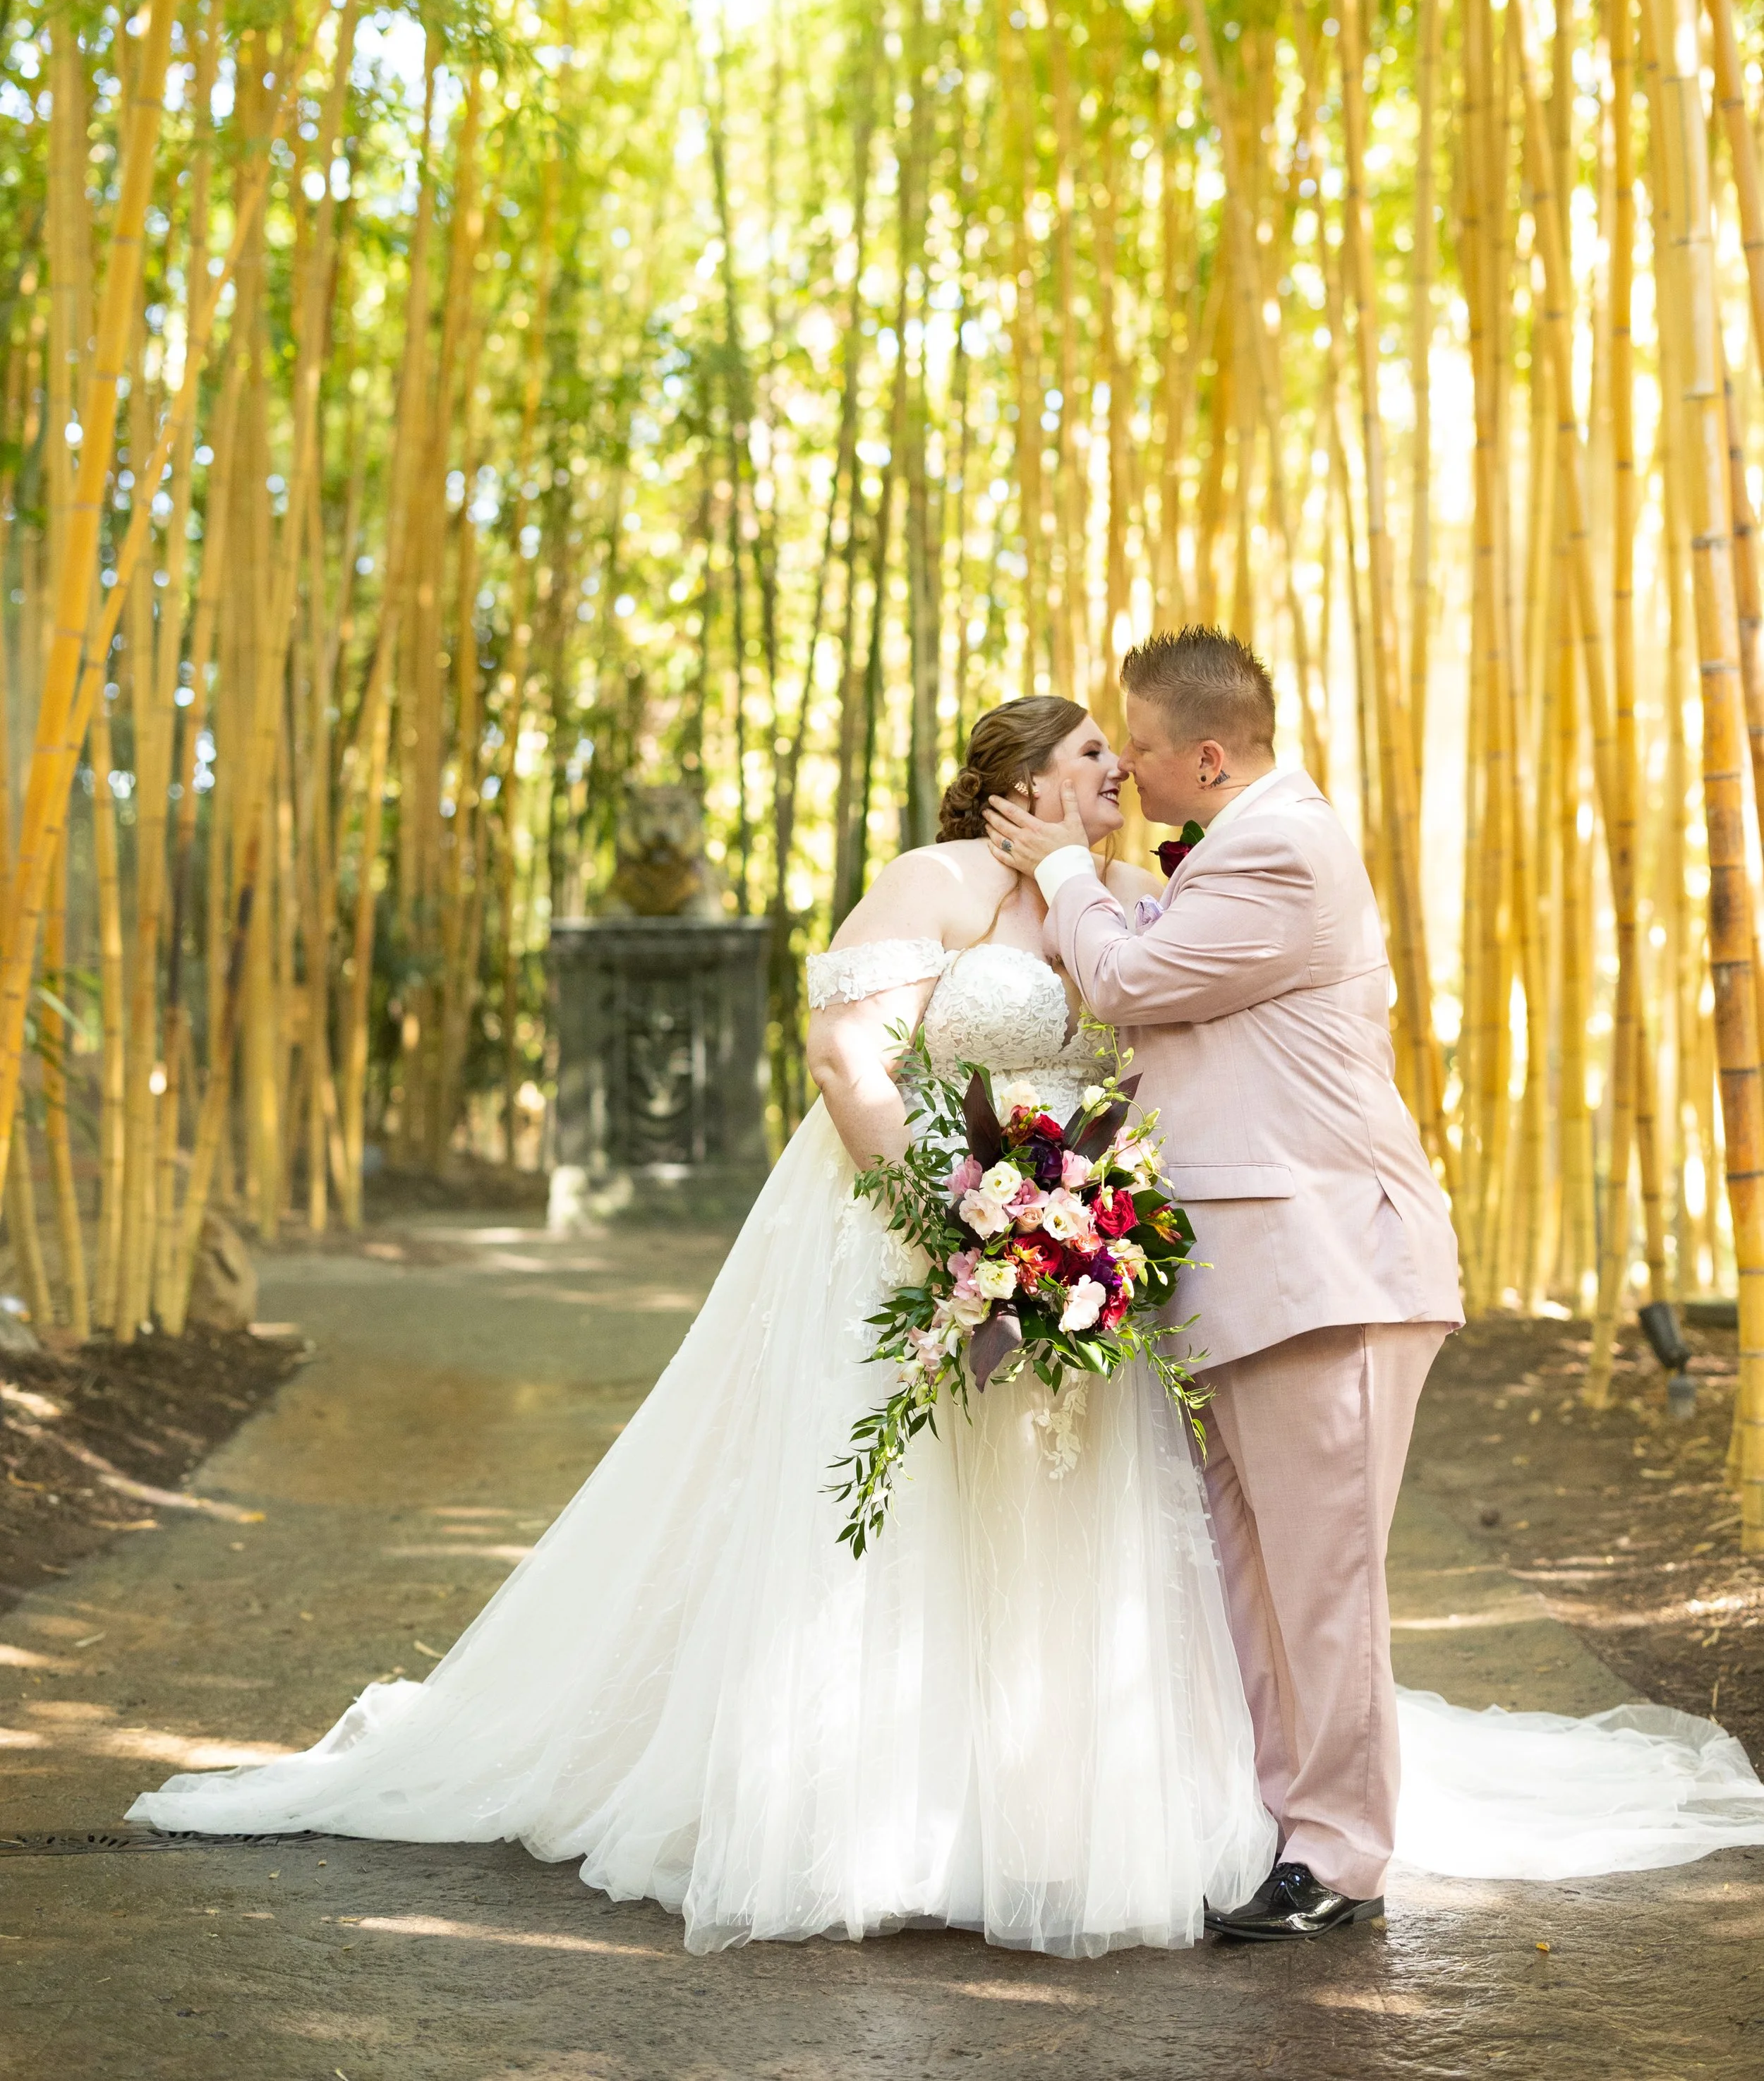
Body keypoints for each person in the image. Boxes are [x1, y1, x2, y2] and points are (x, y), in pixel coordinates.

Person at [131, 675, 1764, 1943]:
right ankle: (889, 1805)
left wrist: (1063, 1223)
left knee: (1083, 1538)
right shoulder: (926, 879)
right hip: (922, 1240)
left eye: (1125, 767)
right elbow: (846, 1056)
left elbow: (1140, 1045)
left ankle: (1082, 1800)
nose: (1115, 786)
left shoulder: (1102, 902)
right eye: (1087, 767)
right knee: (905, 1519)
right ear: (1009, 784)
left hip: (1065, 1264)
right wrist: (944, 1214)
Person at [984, 628, 1461, 1939]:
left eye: (1136, 744)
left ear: (1206, 752)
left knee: (1322, 1579)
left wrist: (1074, 867)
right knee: (1249, 1571)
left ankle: (1345, 1855)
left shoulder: (1282, 845)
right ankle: (1279, 1826)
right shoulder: (1223, 853)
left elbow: (1132, 977)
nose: (1126, 768)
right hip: (1248, 1271)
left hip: (1327, 1265)